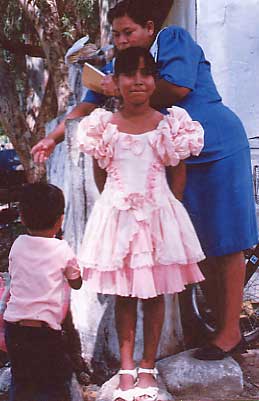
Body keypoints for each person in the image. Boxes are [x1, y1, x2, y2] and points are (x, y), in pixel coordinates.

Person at [31, 0, 258, 360]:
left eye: (128, 32)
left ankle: (230, 332)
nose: (121, 40)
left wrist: (117, 87)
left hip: (216, 148)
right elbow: (86, 105)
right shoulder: (120, 67)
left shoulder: (172, 39)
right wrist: (52, 137)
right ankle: (214, 325)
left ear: (150, 28)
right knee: (195, 247)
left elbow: (177, 89)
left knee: (227, 242)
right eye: (116, 34)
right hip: (173, 160)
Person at [76, 46, 205, 401]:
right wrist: (117, 206)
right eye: (129, 74)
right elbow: (101, 174)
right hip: (118, 218)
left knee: (154, 295)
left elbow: (177, 172)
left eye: (145, 74)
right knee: (124, 296)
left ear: (153, 81)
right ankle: (126, 366)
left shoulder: (169, 125)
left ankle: (149, 365)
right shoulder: (104, 127)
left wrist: (167, 209)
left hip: (158, 218)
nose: (137, 81)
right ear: (115, 82)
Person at [3, 183, 82, 401]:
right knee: (53, 384)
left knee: (21, 381)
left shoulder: (17, 245)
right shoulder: (62, 249)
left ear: (23, 218)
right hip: (45, 333)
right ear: (60, 220)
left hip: (15, 329)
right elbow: (76, 283)